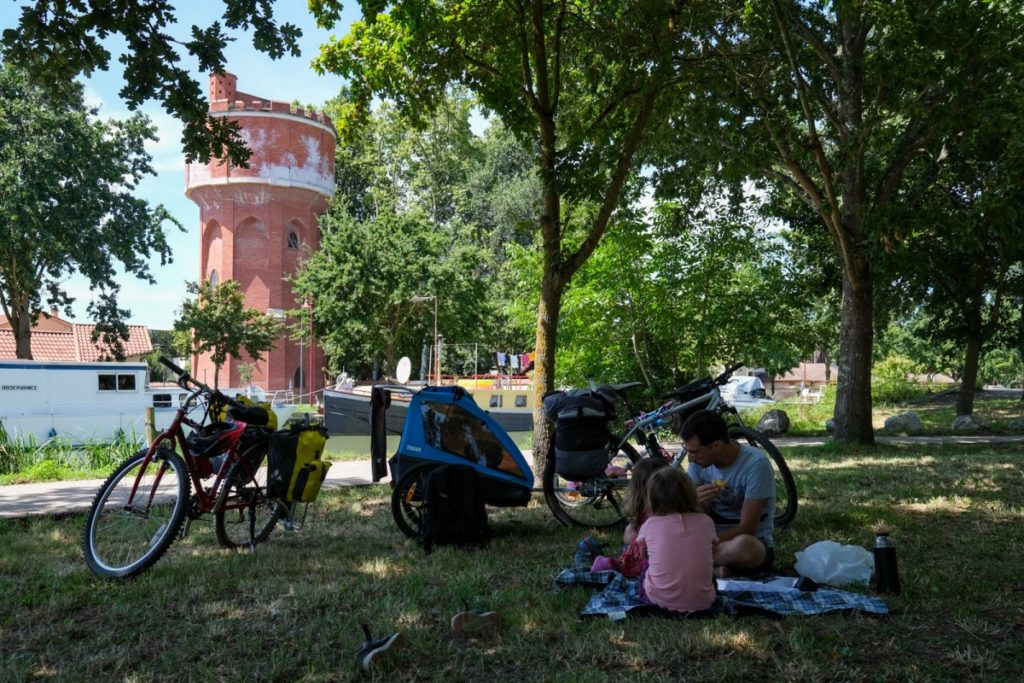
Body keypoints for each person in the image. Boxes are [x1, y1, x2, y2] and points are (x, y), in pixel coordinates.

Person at [681, 410, 776, 577]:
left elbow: (748, 528)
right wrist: (697, 503)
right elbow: (692, 516)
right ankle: (713, 568)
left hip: (743, 541)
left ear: (716, 446)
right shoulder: (698, 464)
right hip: (709, 539)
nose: (690, 459)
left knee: (744, 547)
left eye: (694, 452)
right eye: (687, 451)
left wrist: (705, 543)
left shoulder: (755, 463)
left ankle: (694, 564)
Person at [635, 467, 717, 613]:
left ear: (652, 499)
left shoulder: (650, 524)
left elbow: (643, 555)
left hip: (658, 601)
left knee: (646, 565)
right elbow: (713, 553)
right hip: (705, 602)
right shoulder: (706, 521)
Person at [589, 456, 668, 577]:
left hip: (644, 557)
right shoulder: (671, 508)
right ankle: (607, 563)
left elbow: (629, 538)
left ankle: (607, 563)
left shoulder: (642, 509)